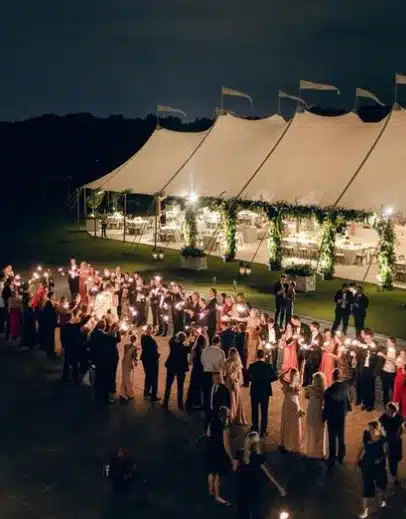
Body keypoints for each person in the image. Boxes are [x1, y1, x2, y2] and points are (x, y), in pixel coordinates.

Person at [236, 431, 286, 519]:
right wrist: (279, 487)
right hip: (253, 488)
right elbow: (268, 473)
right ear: (256, 444)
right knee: (256, 513)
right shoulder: (258, 457)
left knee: (243, 513)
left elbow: (235, 467)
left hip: (241, 487)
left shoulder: (240, 453)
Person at [355, 421, 388, 518]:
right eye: (369, 429)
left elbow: (386, 453)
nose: (370, 431)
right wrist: (357, 459)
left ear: (377, 429)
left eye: (372, 429)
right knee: (366, 486)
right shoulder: (367, 437)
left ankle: (382, 498)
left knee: (380, 483)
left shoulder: (383, 440)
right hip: (367, 464)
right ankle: (365, 510)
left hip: (378, 466)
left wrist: (380, 459)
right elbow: (362, 447)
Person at [205, 406, 236, 506]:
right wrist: (232, 459)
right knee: (218, 475)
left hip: (210, 449)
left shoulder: (212, 421)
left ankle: (210, 491)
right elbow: (226, 445)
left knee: (210, 471)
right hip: (219, 451)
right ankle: (217, 496)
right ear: (225, 416)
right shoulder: (225, 427)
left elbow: (208, 434)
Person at [323, 368, 352, 468]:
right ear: (340, 376)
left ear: (332, 377)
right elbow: (355, 378)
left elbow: (326, 406)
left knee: (331, 437)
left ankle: (332, 457)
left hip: (331, 416)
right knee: (341, 436)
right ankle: (341, 456)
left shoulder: (328, 391)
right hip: (341, 415)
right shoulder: (345, 386)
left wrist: (323, 417)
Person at [248, 349, 278, 437]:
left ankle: (255, 427)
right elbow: (275, 377)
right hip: (265, 391)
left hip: (255, 390)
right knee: (264, 411)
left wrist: (253, 380)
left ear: (256, 356)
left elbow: (247, 377)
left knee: (254, 410)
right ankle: (263, 430)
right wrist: (267, 380)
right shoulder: (268, 366)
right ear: (264, 356)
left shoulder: (252, 365)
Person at [162, 331, 190, 410]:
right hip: (181, 369)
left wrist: (176, 335)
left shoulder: (173, 345)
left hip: (171, 367)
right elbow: (192, 346)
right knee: (180, 387)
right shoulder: (185, 348)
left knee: (168, 386)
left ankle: (165, 402)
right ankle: (180, 405)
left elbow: (171, 340)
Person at [279, 367, 303, 453]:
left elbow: (280, 377)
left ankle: (285, 443)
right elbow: (302, 377)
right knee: (295, 425)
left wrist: (287, 371)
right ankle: (294, 444)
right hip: (295, 406)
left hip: (286, 405)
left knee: (286, 424)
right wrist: (302, 367)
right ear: (297, 376)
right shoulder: (298, 385)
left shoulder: (286, 384)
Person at [379, 402, 404, 485]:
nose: (388, 412)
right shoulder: (383, 418)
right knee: (391, 459)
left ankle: (393, 473)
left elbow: (401, 429)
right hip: (388, 441)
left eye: (391, 411)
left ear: (394, 411)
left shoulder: (399, 418)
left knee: (397, 458)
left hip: (396, 441)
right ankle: (393, 476)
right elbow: (380, 427)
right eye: (387, 410)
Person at [201, 334, 226, 413]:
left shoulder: (205, 350)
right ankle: (214, 409)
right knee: (215, 393)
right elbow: (222, 364)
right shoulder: (221, 352)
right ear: (219, 342)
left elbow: (202, 361)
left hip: (206, 373)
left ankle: (206, 408)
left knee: (206, 392)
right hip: (216, 374)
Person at [304, 372, 326, 459]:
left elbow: (306, 396)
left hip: (312, 410)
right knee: (319, 431)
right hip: (319, 411)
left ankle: (310, 451)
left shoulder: (309, 388)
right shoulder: (324, 390)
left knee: (311, 429)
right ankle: (319, 452)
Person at [224, 347, 247, 424]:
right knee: (234, 400)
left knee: (232, 400)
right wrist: (237, 379)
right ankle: (234, 417)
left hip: (231, 383)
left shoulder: (228, 362)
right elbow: (239, 375)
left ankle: (232, 417)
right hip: (234, 383)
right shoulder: (237, 363)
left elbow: (227, 373)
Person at [185, 333, 206, 411]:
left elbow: (190, 362)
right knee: (200, 386)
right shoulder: (204, 350)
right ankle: (199, 403)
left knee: (193, 386)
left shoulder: (193, 349)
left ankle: (191, 402)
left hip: (195, 369)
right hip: (201, 370)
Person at [140, 325, 160, 401]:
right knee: (154, 378)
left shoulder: (143, 337)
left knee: (148, 376)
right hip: (152, 360)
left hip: (145, 359)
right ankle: (153, 396)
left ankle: (146, 392)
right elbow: (153, 350)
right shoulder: (150, 339)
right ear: (150, 330)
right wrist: (157, 355)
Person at [378, 337, 397, 406]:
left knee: (388, 389)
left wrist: (383, 355)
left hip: (390, 373)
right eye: (387, 342)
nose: (387, 343)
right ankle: (388, 404)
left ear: (393, 344)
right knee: (387, 389)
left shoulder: (392, 350)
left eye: (388, 342)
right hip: (386, 371)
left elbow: (393, 360)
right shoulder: (389, 349)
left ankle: (390, 404)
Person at [303, 321, 323, 387]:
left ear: (315, 328)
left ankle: (312, 384)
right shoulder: (311, 334)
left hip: (315, 357)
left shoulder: (320, 337)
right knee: (307, 368)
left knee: (313, 370)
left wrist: (310, 348)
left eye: (311, 326)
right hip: (308, 355)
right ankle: (306, 381)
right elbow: (308, 342)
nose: (310, 327)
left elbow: (318, 348)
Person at [120, 334, 138, 401]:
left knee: (124, 377)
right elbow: (134, 357)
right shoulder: (134, 347)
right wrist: (135, 362)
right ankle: (128, 393)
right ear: (135, 340)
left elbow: (126, 354)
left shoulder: (126, 345)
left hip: (124, 362)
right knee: (127, 378)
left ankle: (124, 392)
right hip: (129, 363)